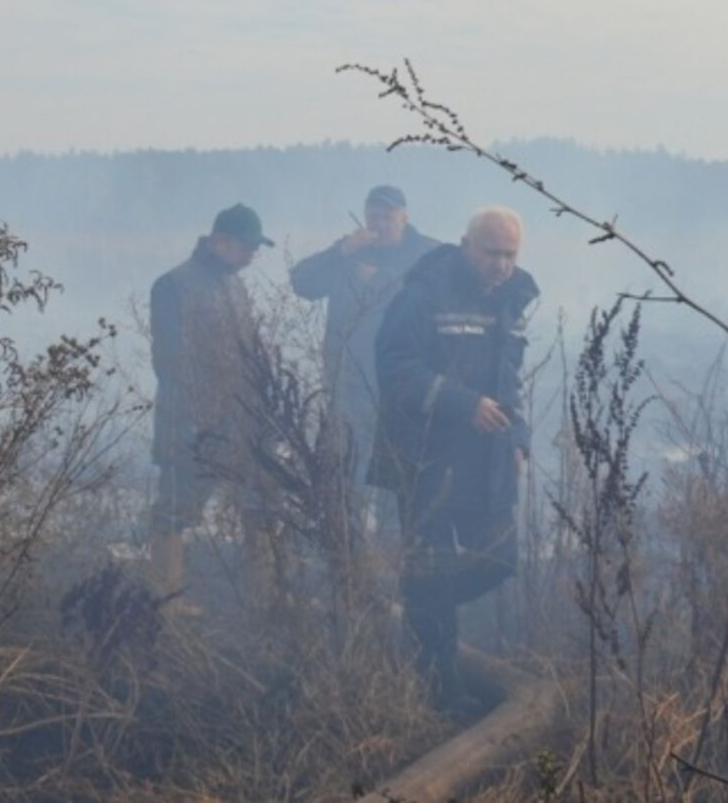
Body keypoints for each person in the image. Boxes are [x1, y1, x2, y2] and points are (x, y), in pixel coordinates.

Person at [370, 206, 538, 712]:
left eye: (510, 255)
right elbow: (395, 369)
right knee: (432, 570)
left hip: (486, 460)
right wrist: (463, 404)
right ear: (467, 246)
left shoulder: (513, 297)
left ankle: (420, 604)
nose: (501, 265)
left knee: (498, 561)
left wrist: (518, 438)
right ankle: (440, 692)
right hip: (426, 458)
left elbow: (509, 381)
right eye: (492, 253)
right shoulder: (424, 294)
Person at [148, 203, 274, 605]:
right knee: (175, 511)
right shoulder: (173, 285)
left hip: (242, 422)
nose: (252, 255)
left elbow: (250, 353)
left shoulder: (235, 286)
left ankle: (264, 601)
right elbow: (169, 362)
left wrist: (260, 408)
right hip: (190, 424)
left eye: (255, 249)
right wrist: (198, 420)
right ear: (220, 241)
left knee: (260, 505)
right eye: (246, 247)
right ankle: (166, 603)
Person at [289, 185, 437, 486]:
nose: (379, 225)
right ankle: (348, 515)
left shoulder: (428, 254)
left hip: (405, 380)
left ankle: (392, 517)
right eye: (373, 218)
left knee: (397, 468)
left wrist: (380, 282)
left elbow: (434, 302)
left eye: (387, 218)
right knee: (349, 466)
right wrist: (340, 251)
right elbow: (303, 283)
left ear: (404, 218)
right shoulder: (349, 252)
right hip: (349, 379)